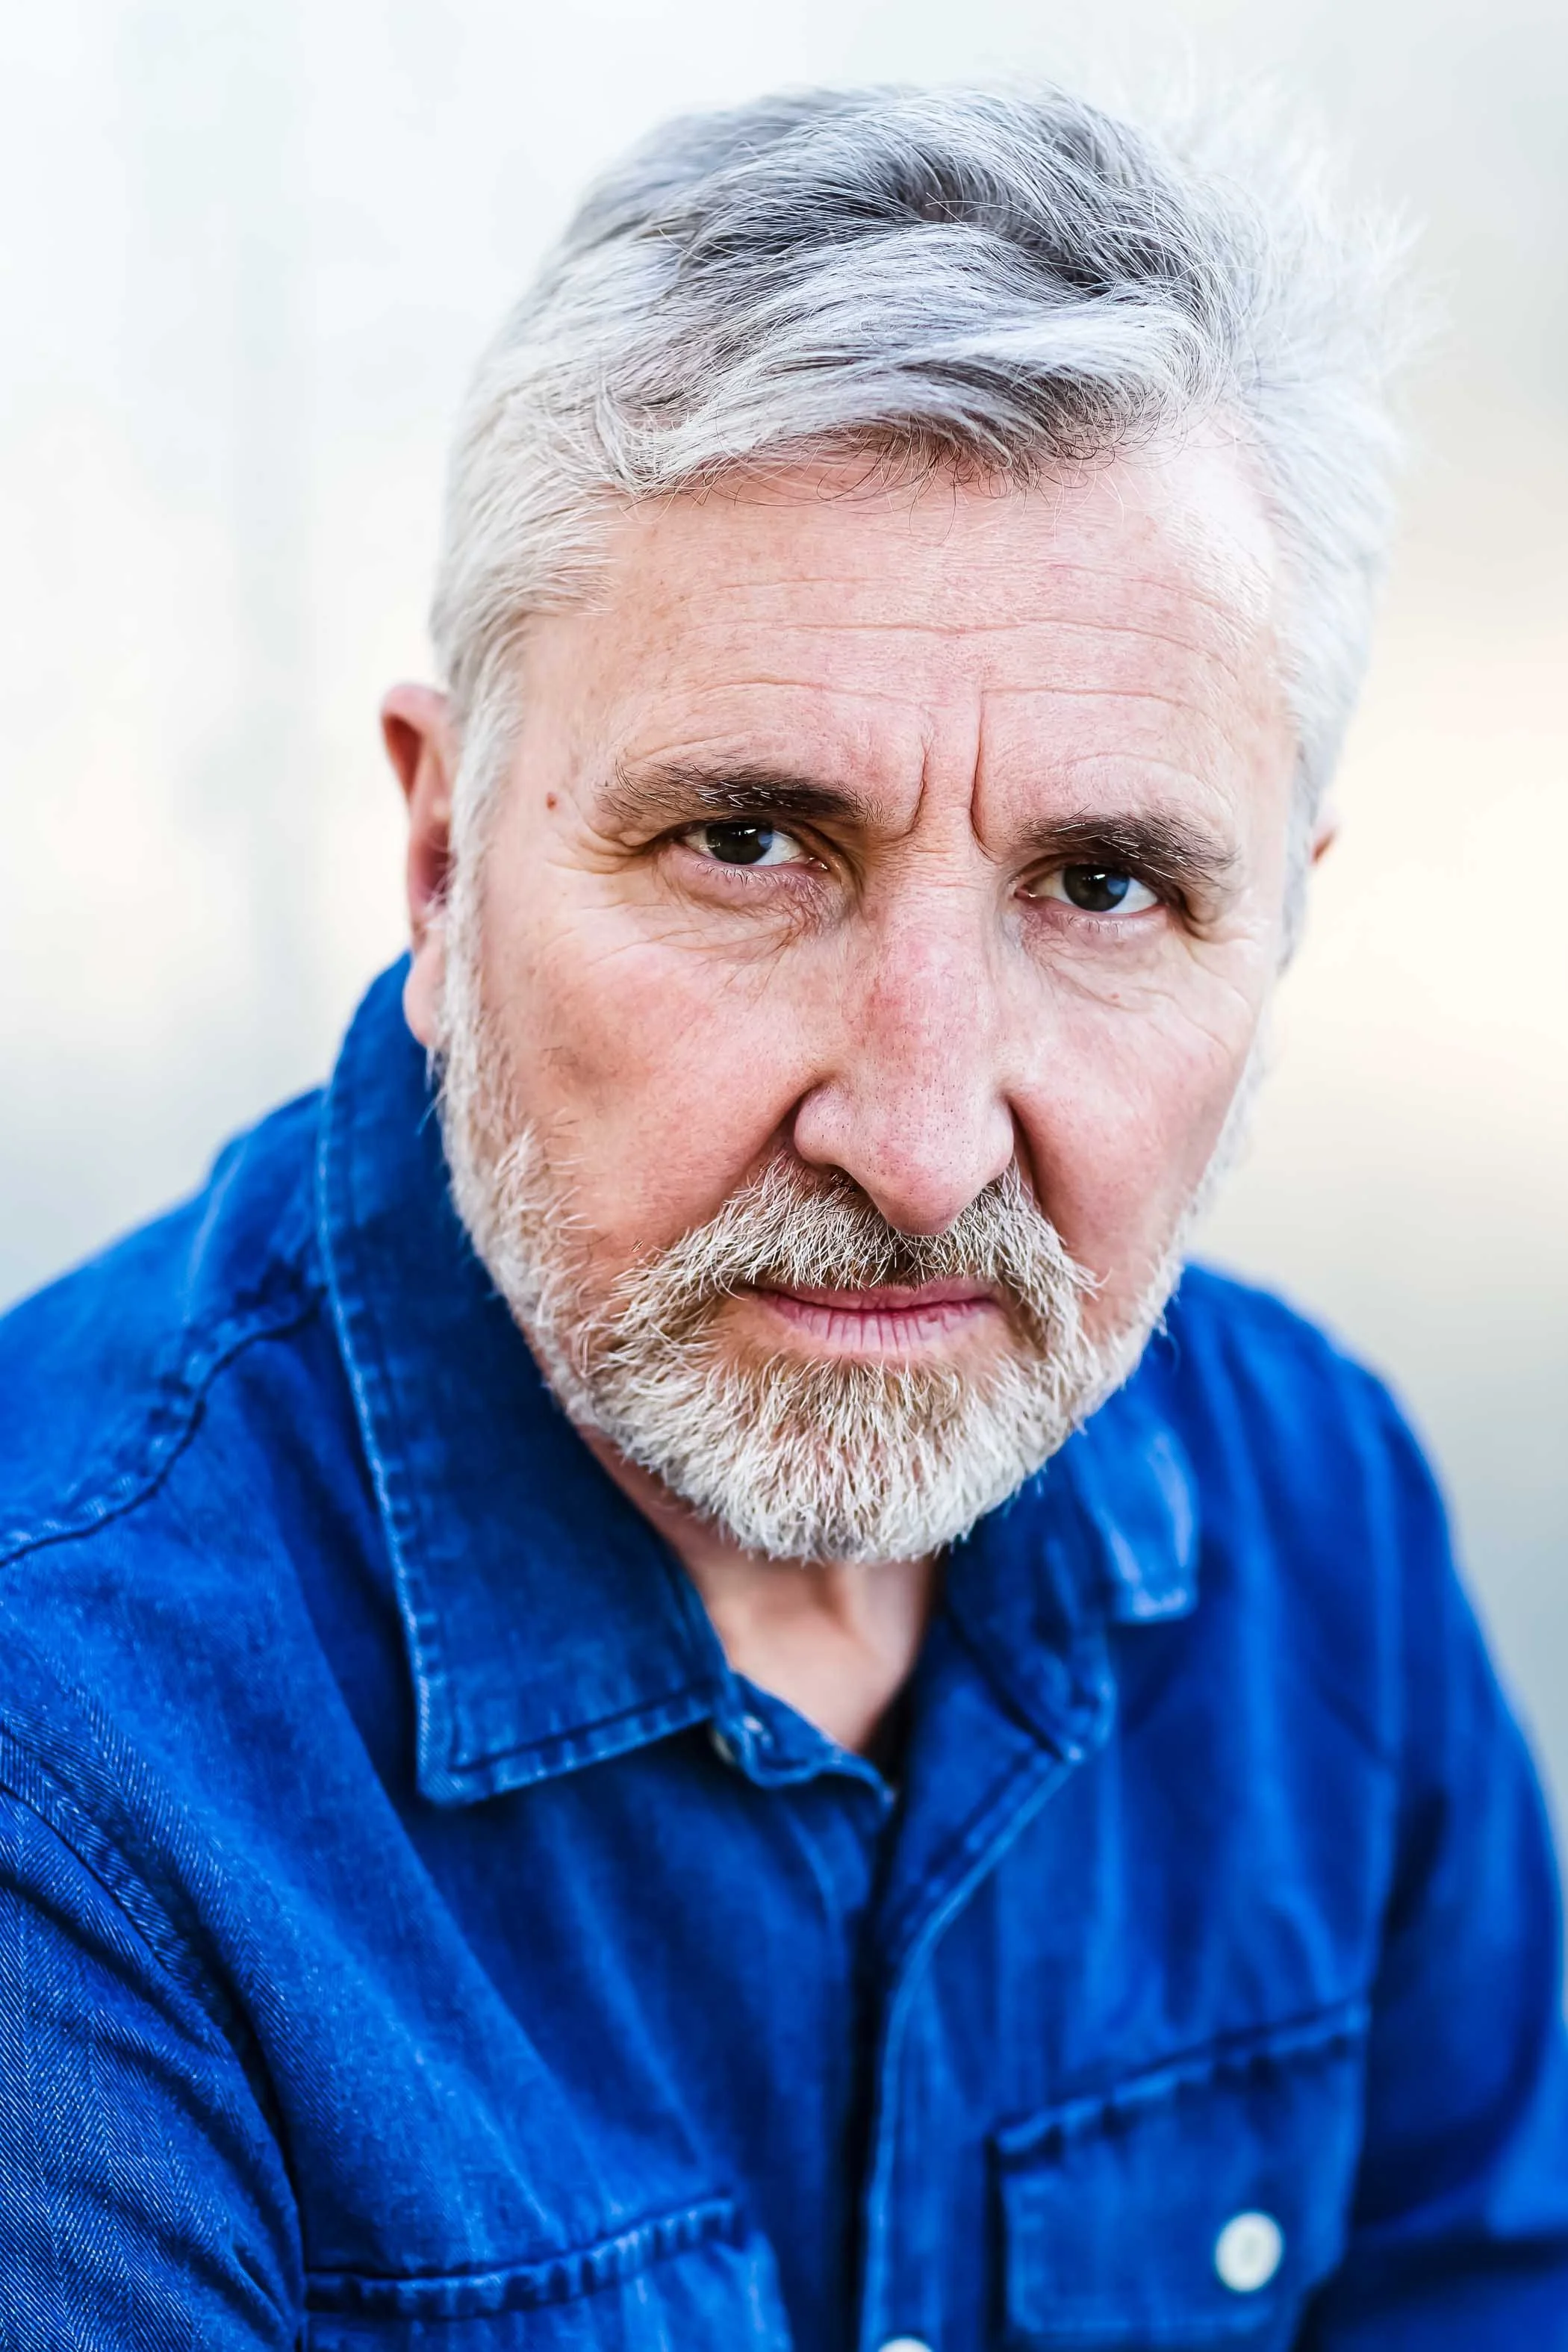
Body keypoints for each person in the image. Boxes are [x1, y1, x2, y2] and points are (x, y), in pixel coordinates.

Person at [1, 78, 1565, 2351]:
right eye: (749, 843)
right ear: (441, 860)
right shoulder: (67, 1760)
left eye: (1107, 883)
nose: (921, 1143)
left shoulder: (1312, 1516)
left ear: (1278, 933)